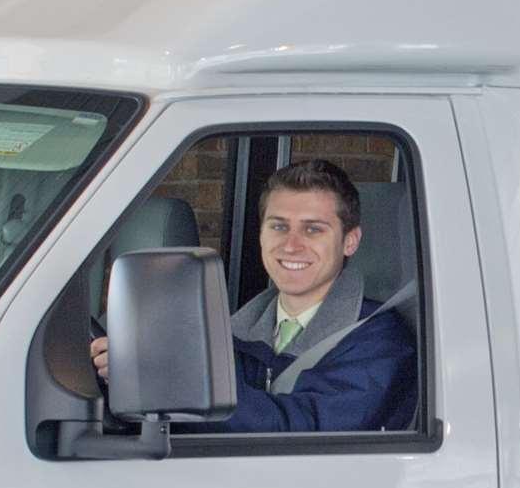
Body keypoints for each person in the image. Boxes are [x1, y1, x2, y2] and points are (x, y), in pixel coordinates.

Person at [90, 157, 418, 432]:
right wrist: (129, 373)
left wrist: (172, 381)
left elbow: (303, 433)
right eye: (278, 226)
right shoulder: (231, 333)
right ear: (260, 234)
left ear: (350, 241)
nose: (291, 245)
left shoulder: (380, 342)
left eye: (313, 229)